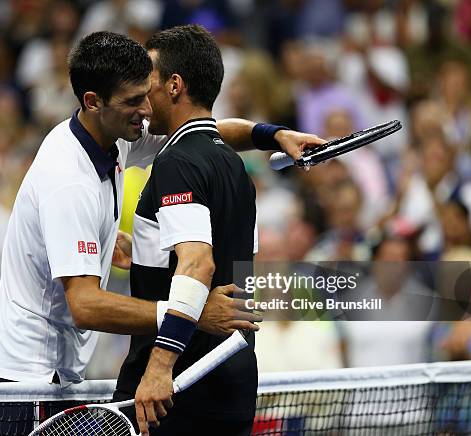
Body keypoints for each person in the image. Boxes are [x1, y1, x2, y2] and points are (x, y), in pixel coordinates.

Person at [0, 30, 322, 434]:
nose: (146, 110)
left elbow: (206, 130)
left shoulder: (114, 134)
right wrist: (189, 315)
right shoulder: (68, 181)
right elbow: (85, 305)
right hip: (20, 373)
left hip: (54, 369)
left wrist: (272, 134)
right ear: (93, 102)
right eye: (134, 102)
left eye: (146, 95)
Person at [113, 25, 324, 436]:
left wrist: (159, 366)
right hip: (235, 378)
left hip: (182, 387)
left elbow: (197, 265)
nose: (142, 93)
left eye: (149, 80)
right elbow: (227, 260)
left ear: (174, 86)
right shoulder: (235, 167)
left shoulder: (177, 163)